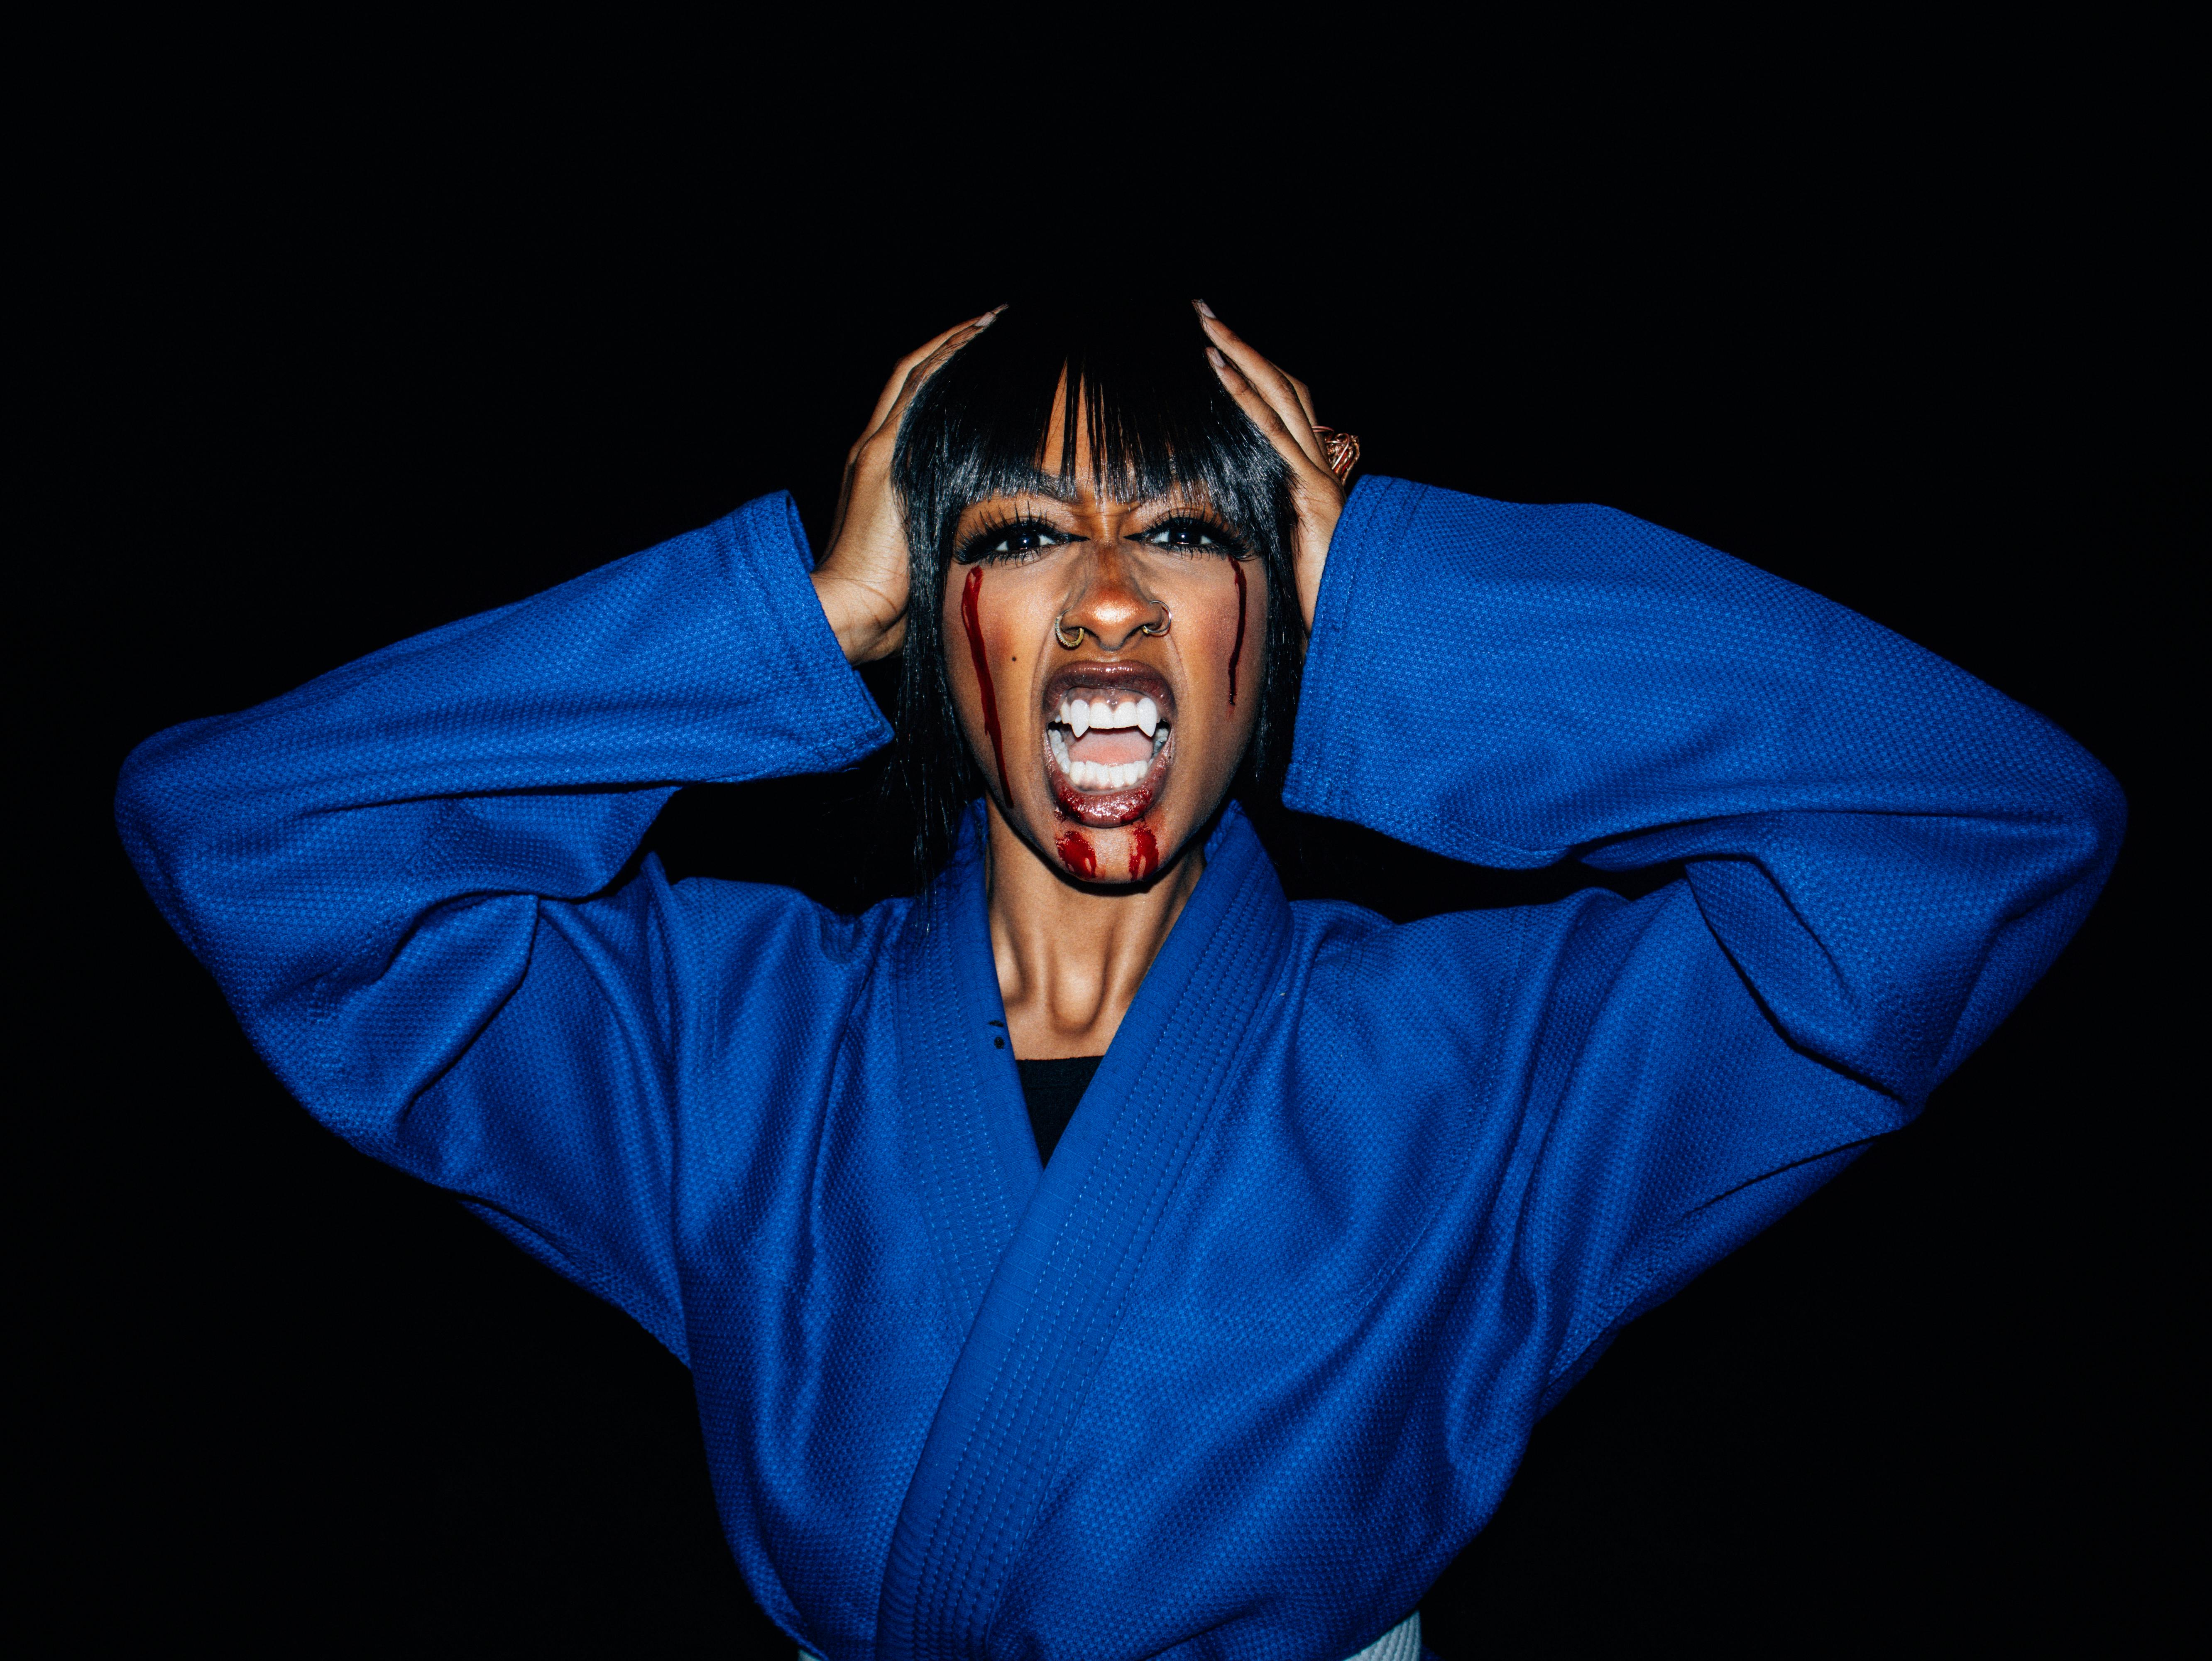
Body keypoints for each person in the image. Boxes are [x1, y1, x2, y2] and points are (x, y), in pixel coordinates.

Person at [116, 294, 2122, 1661]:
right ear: (937, 626)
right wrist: (782, 626)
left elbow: (1986, 828)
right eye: (1007, 534)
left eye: (1181, 529)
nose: (1098, 593)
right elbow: (252, 836)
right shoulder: (717, 1046)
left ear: (1275, 616)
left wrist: (1418, 599)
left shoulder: (1502, 1070)